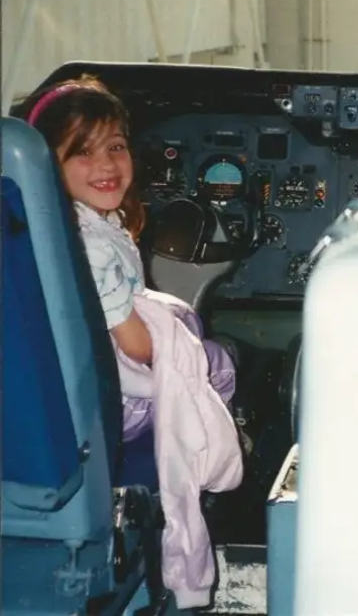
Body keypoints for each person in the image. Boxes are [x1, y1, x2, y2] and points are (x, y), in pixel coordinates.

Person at [24, 76, 243, 609]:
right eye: (82, 152)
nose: (107, 165)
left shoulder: (49, 227)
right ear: (45, 167)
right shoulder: (88, 245)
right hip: (108, 412)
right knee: (222, 364)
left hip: (51, 405)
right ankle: (214, 469)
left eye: (116, 147)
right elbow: (140, 348)